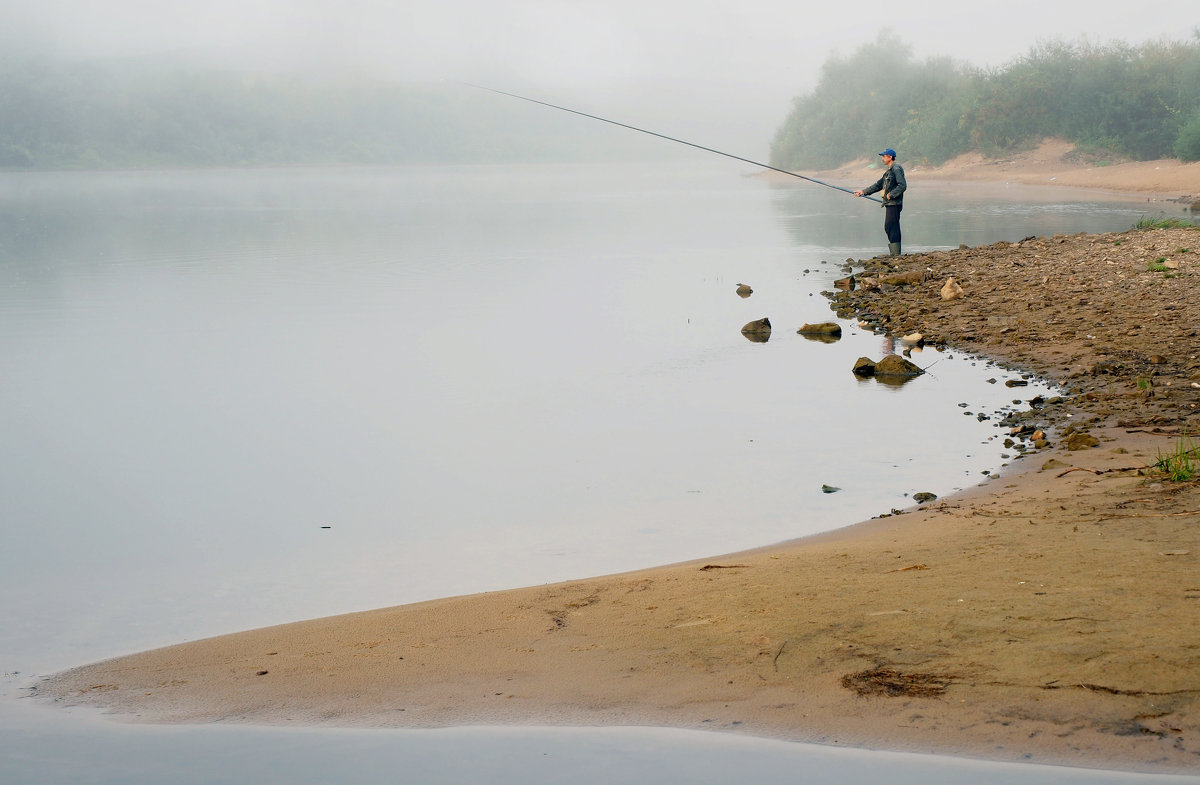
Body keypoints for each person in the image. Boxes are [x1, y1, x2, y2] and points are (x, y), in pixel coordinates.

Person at [854, 148, 906, 256]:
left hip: (894, 203)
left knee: (891, 226)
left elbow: (902, 185)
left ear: (890, 157)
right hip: (889, 204)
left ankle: (896, 254)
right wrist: (863, 192)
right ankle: (895, 253)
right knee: (890, 226)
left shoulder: (897, 168)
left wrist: (891, 194)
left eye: (883, 156)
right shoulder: (888, 172)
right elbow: (878, 185)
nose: (882, 159)